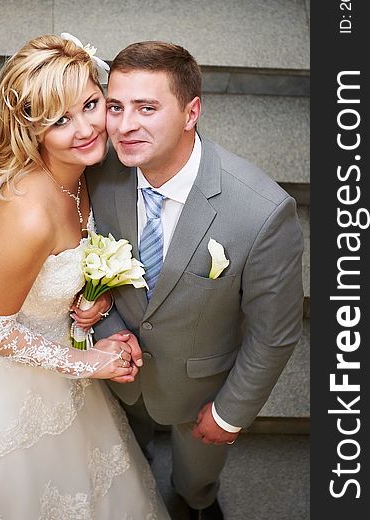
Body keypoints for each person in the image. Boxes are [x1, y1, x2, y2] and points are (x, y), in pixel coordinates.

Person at [0, 34, 170, 519]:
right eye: (59, 120)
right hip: (1, 383)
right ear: (32, 130)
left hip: (58, 349)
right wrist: (88, 363)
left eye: (91, 104)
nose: (88, 128)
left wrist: (95, 302)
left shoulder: (86, 173)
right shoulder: (28, 213)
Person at [86, 41, 304, 519]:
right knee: (123, 455)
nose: (124, 126)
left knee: (196, 479)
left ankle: (195, 501)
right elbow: (81, 260)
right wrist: (104, 333)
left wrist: (229, 412)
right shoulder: (97, 177)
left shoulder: (262, 212)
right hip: (116, 375)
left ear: (191, 112)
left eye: (147, 108)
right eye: (116, 107)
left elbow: (275, 332)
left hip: (201, 387)